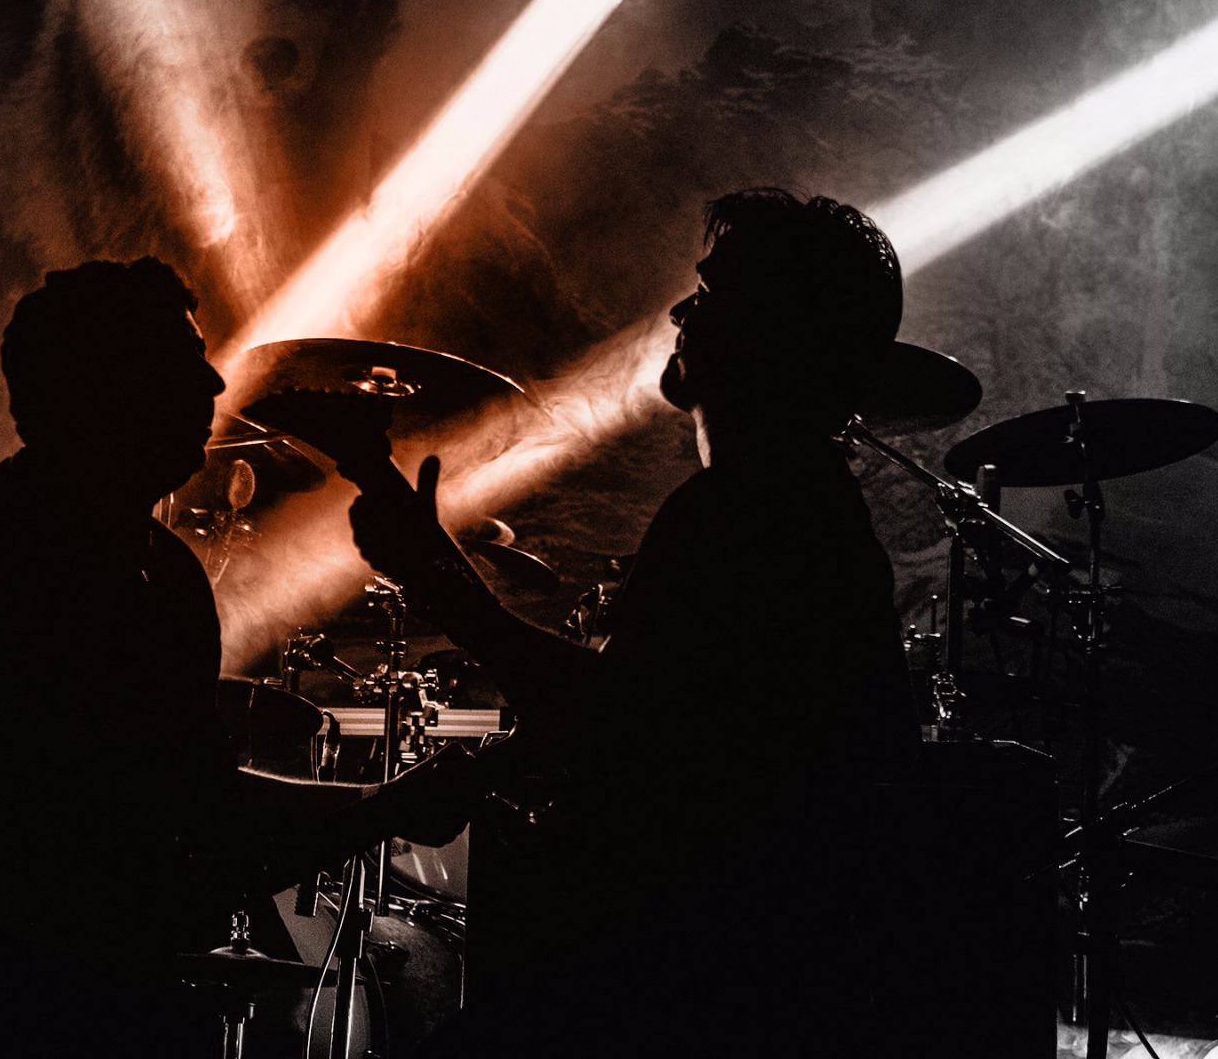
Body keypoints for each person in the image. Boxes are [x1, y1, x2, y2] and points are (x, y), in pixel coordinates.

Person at [0, 257, 470, 1055]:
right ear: (99, 384)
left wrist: (382, 804)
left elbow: (196, 796)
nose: (213, 384)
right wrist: (39, 927)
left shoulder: (167, 573)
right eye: (180, 360)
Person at [348, 190, 920, 1055]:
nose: (683, 311)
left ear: (774, 331)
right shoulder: (798, 508)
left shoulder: (749, 511)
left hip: (697, 981)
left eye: (714, 293)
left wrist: (441, 586)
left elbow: (617, 721)